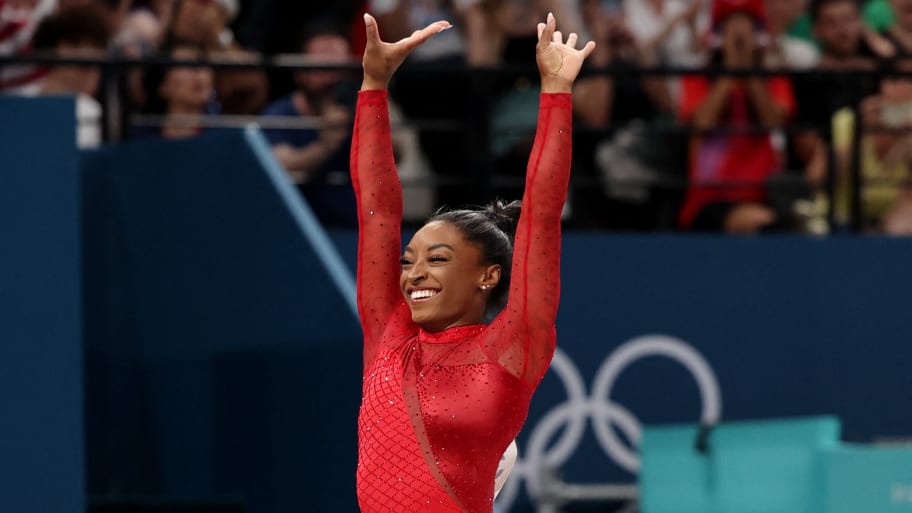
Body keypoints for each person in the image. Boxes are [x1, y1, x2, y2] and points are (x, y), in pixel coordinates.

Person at [351, 10, 594, 513]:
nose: (413, 272)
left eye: (437, 259)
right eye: (408, 260)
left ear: (488, 275)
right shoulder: (388, 337)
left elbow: (542, 212)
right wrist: (373, 86)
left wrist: (556, 92)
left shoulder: (512, 348)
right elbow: (376, 207)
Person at [678, 0, 796, 232]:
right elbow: (702, 123)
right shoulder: (698, 77)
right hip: (709, 198)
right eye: (731, 25)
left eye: (747, 24)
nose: (740, 33)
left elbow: (773, 121)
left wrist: (748, 69)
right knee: (761, 224)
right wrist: (731, 69)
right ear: (718, 33)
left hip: (763, 193)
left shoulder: (772, 78)